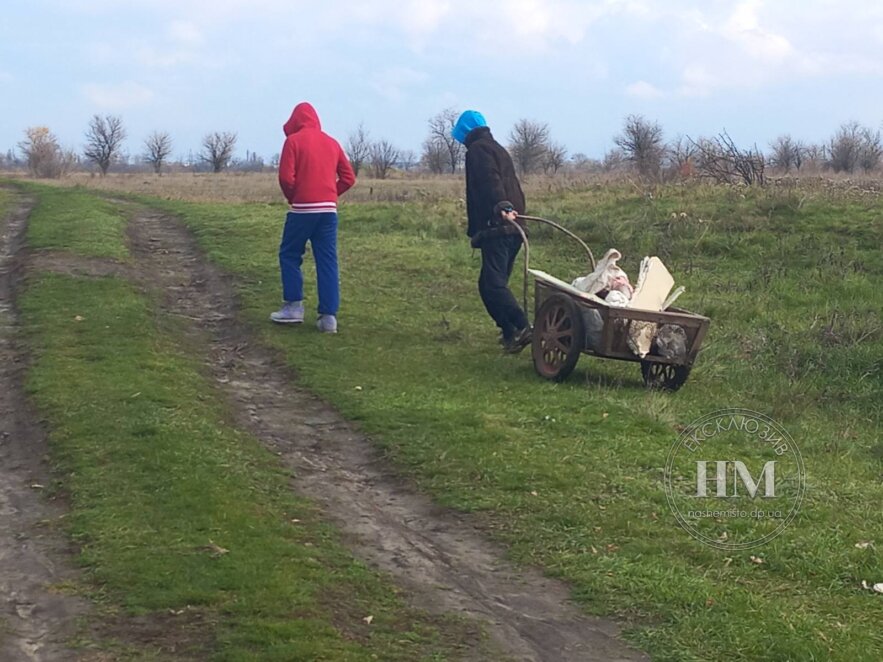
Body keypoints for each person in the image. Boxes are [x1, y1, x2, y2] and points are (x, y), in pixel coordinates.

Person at [271, 102, 356, 333]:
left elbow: (286, 178)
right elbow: (349, 178)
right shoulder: (332, 142)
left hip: (302, 209)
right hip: (329, 211)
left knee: (289, 254)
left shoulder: (293, 142)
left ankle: (293, 307)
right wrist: (331, 194)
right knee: (327, 260)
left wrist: (294, 196)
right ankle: (328, 318)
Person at [452, 110, 531, 353]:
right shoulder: (496, 148)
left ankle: (523, 326)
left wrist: (502, 207)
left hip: (499, 227)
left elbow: (491, 181)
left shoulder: (478, 151)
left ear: (465, 131)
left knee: (493, 285)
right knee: (490, 285)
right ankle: (510, 332)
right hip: (513, 229)